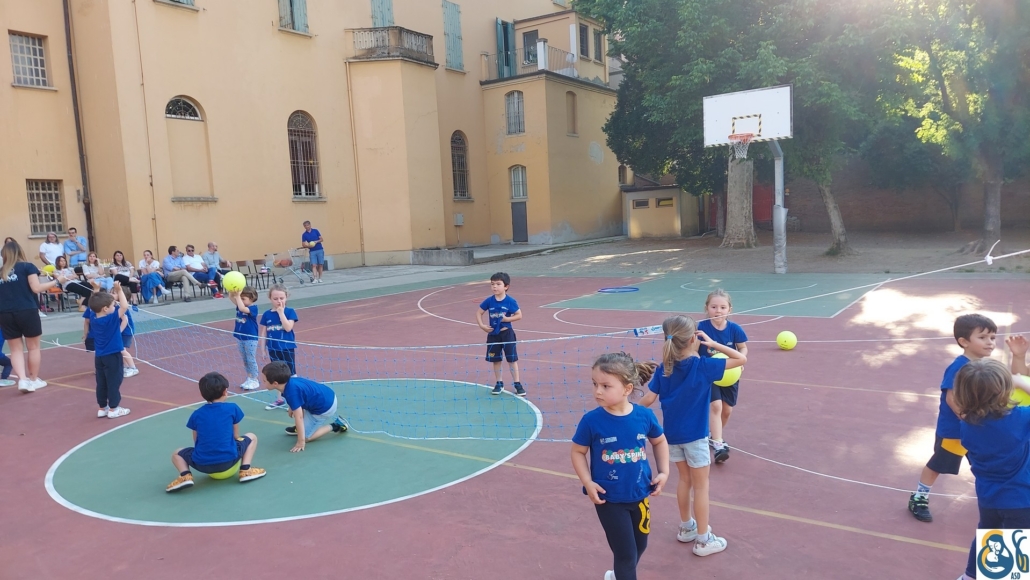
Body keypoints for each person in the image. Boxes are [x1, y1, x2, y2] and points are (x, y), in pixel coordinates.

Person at [639, 314, 745, 556]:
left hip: (671, 437)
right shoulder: (704, 367)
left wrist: (627, 413)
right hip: (695, 438)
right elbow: (741, 358)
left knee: (684, 481)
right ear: (692, 339)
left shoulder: (664, 369)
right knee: (701, 487)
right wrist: (713, 343)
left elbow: (648, 399)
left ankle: (687, 527)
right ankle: (703, 540)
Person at [571, 352, 669, 580]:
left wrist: (664, 472)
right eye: (595, 384)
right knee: (625, 555)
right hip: (609, 500)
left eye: (606, 386)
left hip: (640, 495)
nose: (598, 391)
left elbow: (659, 441)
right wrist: (587, 482)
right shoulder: (591, 421)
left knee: (639, 546)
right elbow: (577, 451)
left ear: (627, 389)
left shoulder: (644, 416)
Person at [909, 313, 997, 523]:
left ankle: (995, 499)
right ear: (964, 342)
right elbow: (952, 398)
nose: (990, 342)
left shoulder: (985, 366)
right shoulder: (959, 367)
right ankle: (919, 497)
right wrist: (968, 420)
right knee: (938, 464)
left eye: (992, 337)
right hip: (956, 432)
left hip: (978, 428)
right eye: (983, 337)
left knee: (988, 464)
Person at [953, 358, 1030, 580]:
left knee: (988, 534)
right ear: (1003, 391)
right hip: (1020, 498)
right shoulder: (1019, 419)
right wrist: (1020, 381)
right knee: (1015, 550)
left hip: (988, 496)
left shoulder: (967, 424)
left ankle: (970, 575)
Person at [166, 371, 266, 492]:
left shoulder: (196, 414)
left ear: (202, 394)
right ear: (225, 391)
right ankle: (245, 470)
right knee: (252, 437)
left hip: (202, 464)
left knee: (176, 453)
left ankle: (185, 475)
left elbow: (196, 440)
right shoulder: (232, 408)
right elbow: (235, 435)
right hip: (229, 460)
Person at [1, 241, 68, 392]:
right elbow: (36, 288)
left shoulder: (1, 271)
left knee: (15, 350)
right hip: (27, 310)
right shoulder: (27, 266)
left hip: (5, 313)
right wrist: (57, 281)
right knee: (33, 347)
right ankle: (33, 379)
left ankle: (22, 380)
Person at [697, 289, 748, 463]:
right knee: (716, 406)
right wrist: (699, 365)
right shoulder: (701, 328)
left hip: (730, 374)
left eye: (722, 307)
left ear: (729, 309)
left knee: (727, 410)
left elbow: (742, 348)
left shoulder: (734, 329)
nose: (718, 311)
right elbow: (694, 350)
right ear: (706, 308)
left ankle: (713, 436)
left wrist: (740, 361)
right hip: (710, 374)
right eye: (714, 307)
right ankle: (719, 445)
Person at [260, 361, 348, 452]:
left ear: (275, 383)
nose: (263, 382)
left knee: (306, 437)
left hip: (324, 408)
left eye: (264, 381)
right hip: (326, 396)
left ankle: (336, 425)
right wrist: (291, 406)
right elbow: (299, 396)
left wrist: (301, 442)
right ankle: (302, 428)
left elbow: (299, 417)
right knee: (297, 413)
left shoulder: (291, 393)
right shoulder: (289, 382)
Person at [475, 272, 525, 397]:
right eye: (492, 284)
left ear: (506, 286)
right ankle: (499, 383)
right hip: (493, 335)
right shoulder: (489, 301)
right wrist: (482, 326)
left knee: (512, 359)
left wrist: (508, 319)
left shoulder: (510, 301)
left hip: (507, 334)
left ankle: (517, 384)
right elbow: (479, 312)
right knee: (496, 360)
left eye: (498, 284)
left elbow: (519, 315)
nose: (494, 287)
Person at [89, 283, 131, 419]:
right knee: (114, 382)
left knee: (101, 382)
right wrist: (119, 290)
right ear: (105, 309)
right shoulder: (110, 319)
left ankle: (102, 407)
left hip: (99, 357)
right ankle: (114, 408)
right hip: (112, 356)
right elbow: (125, 306)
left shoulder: (94, 317)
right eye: (113, 305)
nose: (115, 306)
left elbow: (93, 305)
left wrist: (96, 290)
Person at [259, 284, 298, 410]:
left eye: (281, 298)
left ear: (286, 298)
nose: (279, 301)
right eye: (275, 299)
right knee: (277, 374)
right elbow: (264, 333)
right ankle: (280, 399)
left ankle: (295, 399)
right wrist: (263, 349)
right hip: (273, 349)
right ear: (270, 299)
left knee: (291, 374)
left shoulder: (290, 312)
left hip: (287, 348)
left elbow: (288, 327)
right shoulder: (267, 314)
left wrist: (281, 313)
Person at [231, 286, 261, 390]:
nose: (240, 300)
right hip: (240, 337)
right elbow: (232, 299)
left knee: (251, 359)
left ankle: (255, 379)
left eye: (243, 299)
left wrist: (237, 296)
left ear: (252, 298)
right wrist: (232, 292)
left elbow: (242, 309)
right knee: (245, 359)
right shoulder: (240, 305)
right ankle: (249, 377)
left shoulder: (253, 308)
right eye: (241, 298)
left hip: (250, 338)